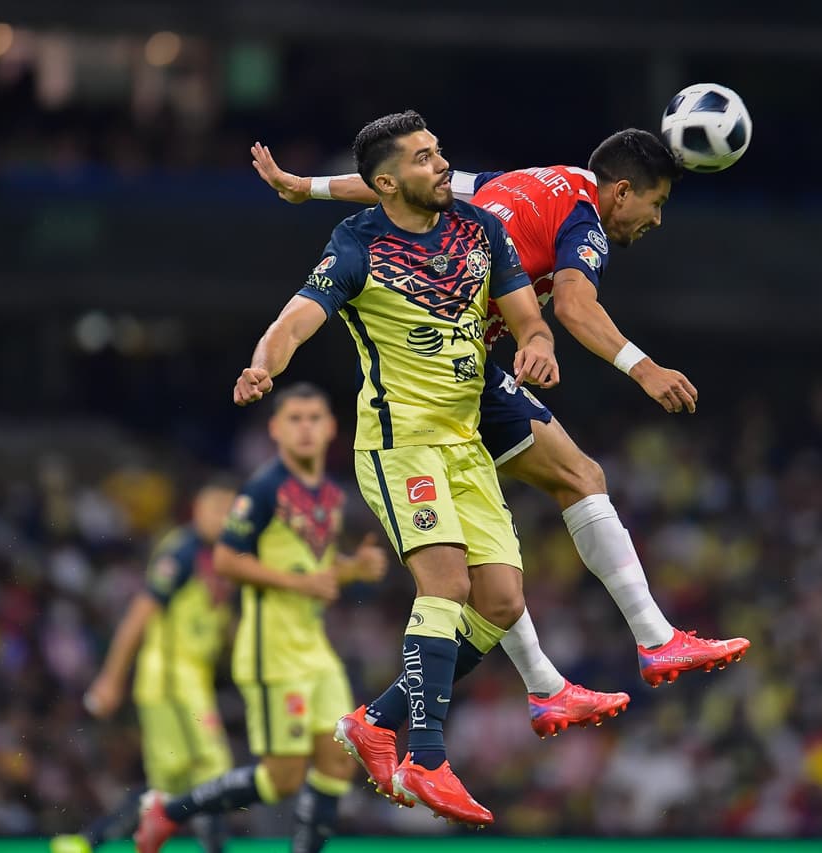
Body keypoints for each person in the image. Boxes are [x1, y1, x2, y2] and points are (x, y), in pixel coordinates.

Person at [251, 128, 750, 698]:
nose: (656, 219)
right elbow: (573, 303)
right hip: (452, 372)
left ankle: (552, 682)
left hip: (453, 366)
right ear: (621, 192)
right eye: (655, 203)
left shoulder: (525, 181)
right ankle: (647, 644)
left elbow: (403, 187)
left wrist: (306, 188)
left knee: (514, 545)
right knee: (574, 484)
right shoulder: (584, 220)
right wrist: (646, 369)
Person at [225, 111, 566, 826]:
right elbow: (294, 320)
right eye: (423, 158)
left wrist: (539, 344)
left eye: (439, 150)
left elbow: (527, 315)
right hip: (398, 444)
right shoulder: (357, 244)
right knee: (446, 582)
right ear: (386, 182)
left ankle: (377, 723)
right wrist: (263, 365)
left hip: (465, 444)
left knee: (500, 602)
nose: (441, 164)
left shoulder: (480, 228)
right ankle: (429, 757)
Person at [134, 383, 389, 852]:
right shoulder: (262, 489)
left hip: (314, 648)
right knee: (282, 779)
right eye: (295, 419)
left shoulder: (329, 495)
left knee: (337, 761)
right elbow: (228, 561)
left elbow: (314, 573)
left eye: (315, 418)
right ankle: (169, 812)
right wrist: (302, 584)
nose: (306, 428)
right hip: (273, 653)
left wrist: (352, 569)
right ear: (275, 429)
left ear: (332, 427)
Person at [51, 478, 238, 853]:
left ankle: (88, 841)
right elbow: (140, 613)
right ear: (196, 511)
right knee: (214, 767)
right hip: (172, 677)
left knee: (168, 784)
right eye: (213, 508)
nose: (222, 517)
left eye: (228, 509)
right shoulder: (184, 552)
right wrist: (110, 678)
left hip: (189, 676)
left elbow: (216, 621)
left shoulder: (220, 557)